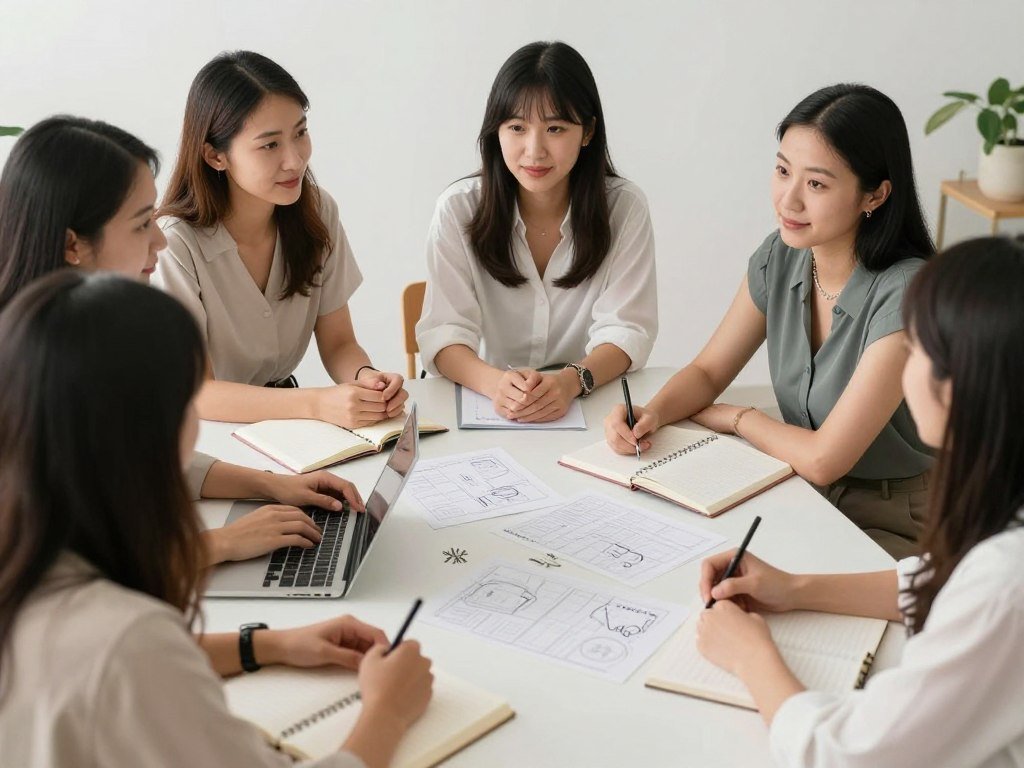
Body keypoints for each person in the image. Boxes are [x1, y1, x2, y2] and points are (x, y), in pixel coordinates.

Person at [0, 271, 433, 768]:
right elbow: (128, 661)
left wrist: (266, 644)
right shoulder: (127, 640)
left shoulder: (29, 554)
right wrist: (388, 711)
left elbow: (115, 668)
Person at [695, 237, 1024, 767]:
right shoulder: (1001, 517)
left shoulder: (1006, 584)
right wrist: (792, 588)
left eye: (914, 351)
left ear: (959, 386)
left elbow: (848, 754)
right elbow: (941, 579)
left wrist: (750, 656)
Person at [0, 115, 362, 566]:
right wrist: (219, 544)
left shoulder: (94, 329)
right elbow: (52, 564)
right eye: (140, 224)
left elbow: (138, 461)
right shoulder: (26, 367)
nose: (160, 241)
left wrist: (270, 484)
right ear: (73, 245)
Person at [605, 84, 933, 558]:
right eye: (782, 171)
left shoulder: (907, 292)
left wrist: (738, 418)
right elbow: (708, 372)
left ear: (876, 195)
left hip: (896, 517)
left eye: (816, 184)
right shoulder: (781, 257)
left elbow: (824, 459)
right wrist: (650, 414)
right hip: (799, 490)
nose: (788, 201)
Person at [156, 50, 407, 428]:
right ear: (214, 155)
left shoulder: (318, 212)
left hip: (289, 428)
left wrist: (365, 380)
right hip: (205, 436)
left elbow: (339, 342)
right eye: (270, 145)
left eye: (300, 133)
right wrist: (319, 404)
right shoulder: (175, 244)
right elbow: (198, 390)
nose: (295, 160)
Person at [415, 40, 657, 423]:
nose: (534, 150)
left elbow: (627, 330)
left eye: (555, 128)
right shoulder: (459, 209)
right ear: (497, 131)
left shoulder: (624, 209)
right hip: (487, 404)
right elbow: (445, 332)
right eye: (517, 127)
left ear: (588, 131)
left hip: (587, 406)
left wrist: (570, 381)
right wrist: (497, 385)